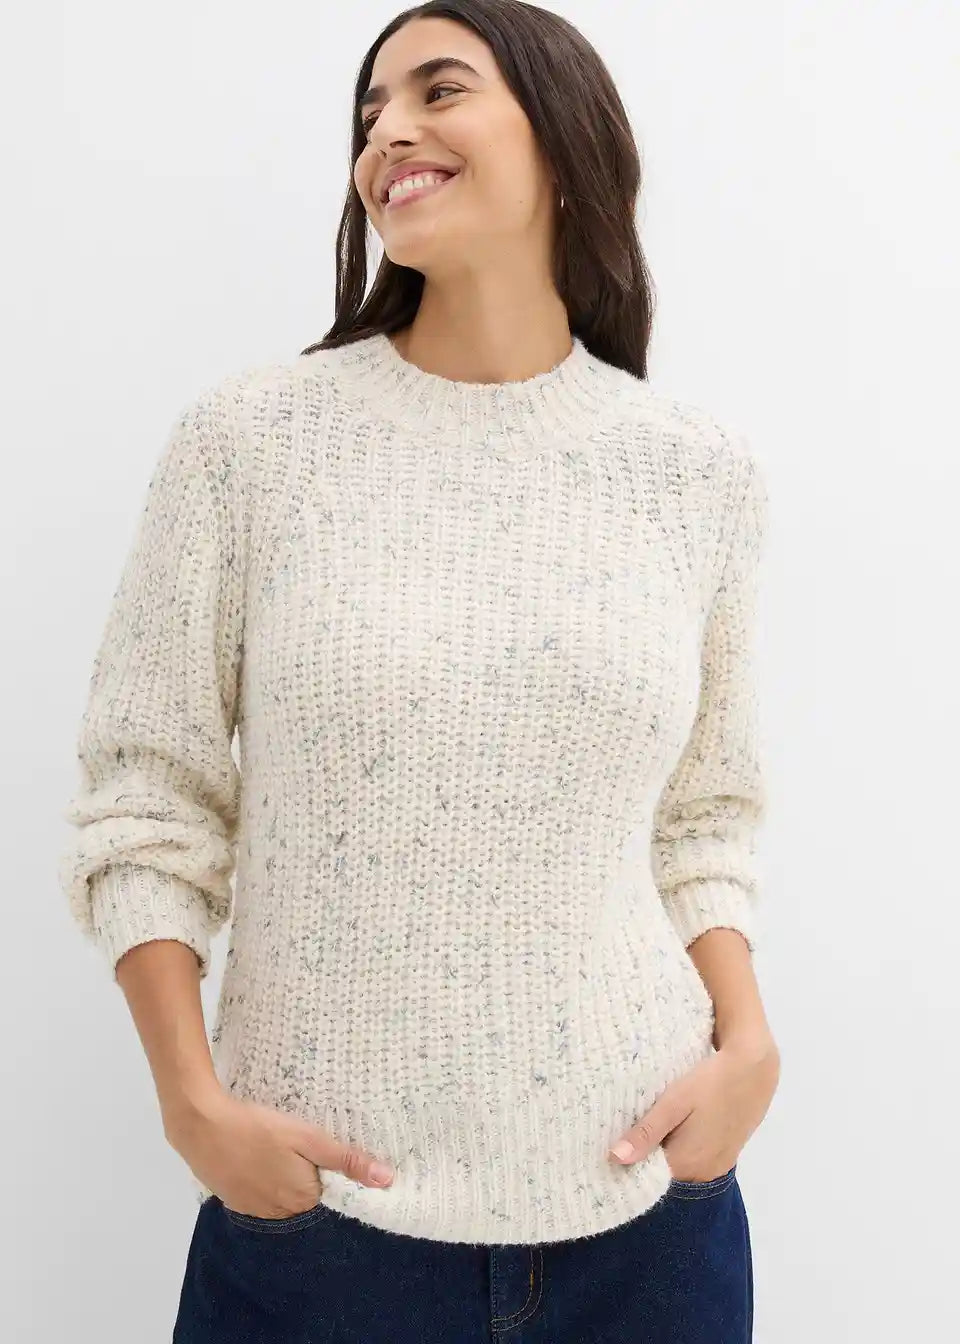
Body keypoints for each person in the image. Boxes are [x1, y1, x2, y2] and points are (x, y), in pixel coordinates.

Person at [58, 1, 781, 1339]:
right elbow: (147, 800)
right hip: (318, 1232)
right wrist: (193, 1105)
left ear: (562, 139)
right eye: (370, 111)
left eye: (439, 91)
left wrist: (748, 1048)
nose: (389, 130)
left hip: (652, 1222)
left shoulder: (697, 474)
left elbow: (704, 814)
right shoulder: (251, 445)